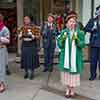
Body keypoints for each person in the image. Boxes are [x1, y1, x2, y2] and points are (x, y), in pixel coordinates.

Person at [57, 11, 85, 98]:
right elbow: (60, 45)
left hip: (75, 58)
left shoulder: (80, 32)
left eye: (73, 21)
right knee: (67, 74)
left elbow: (82, 45)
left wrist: (77, 40)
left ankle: (72, 91)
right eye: (70, 21)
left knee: (73, 74)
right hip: (65, 58)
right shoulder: (63, 32)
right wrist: (63, 39)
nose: (72, 23)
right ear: (67, 23)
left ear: (75, 23)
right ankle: (67, 90)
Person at [85, 5, 100, 81]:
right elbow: (86, 28)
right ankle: (93, 75)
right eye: (99, 10)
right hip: (94, 44)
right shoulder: (92, 20)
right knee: (93, 61)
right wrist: (92, 29)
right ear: (97, 11)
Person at [0, 13, 10, 92]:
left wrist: (0, 38)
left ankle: (2, 84)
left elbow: (8, 40)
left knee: (1, 68)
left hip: (1, 49)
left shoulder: (4, 29)